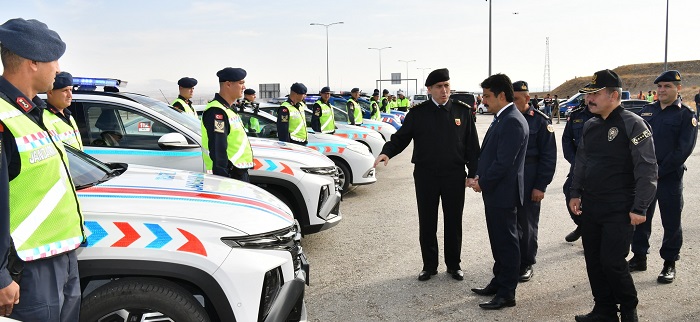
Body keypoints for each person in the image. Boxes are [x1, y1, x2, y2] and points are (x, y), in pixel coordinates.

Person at [0, 18, 84, 321]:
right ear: (33, 61)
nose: (59, 69)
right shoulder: (4, 117)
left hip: (60, 254)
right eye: (54, 59)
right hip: (29, 268)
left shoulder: (36, 113)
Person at [374, 68, 480, 282]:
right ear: (429, 89)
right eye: (439, 87)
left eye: (447, 86)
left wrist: (473, 173)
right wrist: (387, 152)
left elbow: (472, 146)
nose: (444, 90)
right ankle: (429, 266)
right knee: (427, 221)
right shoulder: (418, 113)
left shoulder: (462, 111)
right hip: (426, 176)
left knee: (453, 221)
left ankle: (454, 265)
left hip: (453, 175)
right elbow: (401, 137)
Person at [569, 69, 657, 322]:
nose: (589, 99)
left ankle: (629, 308)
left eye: (595, 94)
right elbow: (581, 162)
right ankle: (604, 309)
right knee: (594, 261)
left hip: (620, 206)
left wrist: (640, 207)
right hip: (593, 205)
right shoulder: (591, 125)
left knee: (612, 262)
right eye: (588, 95)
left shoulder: (633, 123)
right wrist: (575, 192)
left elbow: (647, 167)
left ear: (614, 95)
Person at [628, 70, 697, 284]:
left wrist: (658, 171)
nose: (662, 90)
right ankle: (639, 256)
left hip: (669, 177)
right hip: (644, 178)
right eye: (659, 86)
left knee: (671, 221)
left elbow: (683, 149)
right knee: (640, 216)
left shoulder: (686, 115)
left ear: (678, 89)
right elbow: (636, 141)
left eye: (667, 86)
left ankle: (669, 263)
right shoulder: (648, 111)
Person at [470, 74, 527, 310]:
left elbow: (504, 163)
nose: (483, 100)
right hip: (496, 192)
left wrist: (482, 182)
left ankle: (507, 293)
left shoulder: (512, 120)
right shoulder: (502, 118)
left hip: (503, 193)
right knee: (499, 241)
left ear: (501, 96)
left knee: (507, 243)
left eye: (487, 96)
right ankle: (499, 280)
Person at [511, 81, 557, 283]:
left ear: (527, 99)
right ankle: (512, 260)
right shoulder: (507, 118)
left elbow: (549, 157)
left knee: (527, 223)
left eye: (516, 99)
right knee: (510, 222)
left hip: (530, 178)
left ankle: (527, 262)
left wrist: (541, 186)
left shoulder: (540, 121)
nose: (513, 103)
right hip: (510, 179)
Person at [201, 67, 253, 182]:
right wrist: (224, 180)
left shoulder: (228, 109)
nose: (244, 87)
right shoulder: (217, 111)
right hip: (229, 176)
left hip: (237, 172)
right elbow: (218, 148)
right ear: (228, 84)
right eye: (241, 83)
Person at [562, 98, 595, 243]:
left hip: (598, 169)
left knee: (592, 201)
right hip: (577, 166)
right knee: (569, 192)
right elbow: (567, 140)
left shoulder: (604, 114)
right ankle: (581, 225)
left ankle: (590, 235)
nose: (590, 98)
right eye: (588, 95)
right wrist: (575, 161)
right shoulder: (576, 115)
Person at [45, 71, 82, 150]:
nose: (70, 95)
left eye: (70, 90)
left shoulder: (69, 116)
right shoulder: (44, 117)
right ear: (50, 92)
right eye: (65, 91)